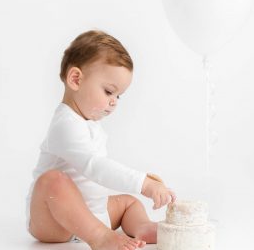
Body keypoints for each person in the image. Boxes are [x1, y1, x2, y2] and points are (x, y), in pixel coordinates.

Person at [26, 30, 176, 250]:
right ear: (76, 79)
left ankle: (141, 226)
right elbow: (95, 167)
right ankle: (99, 237)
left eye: (118, 96)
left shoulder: (90, 124)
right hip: (53, 221)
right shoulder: (65, 124)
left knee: (127, 203)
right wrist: (142, 182)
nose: (114, 102)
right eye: (108, 91)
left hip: (93, 213)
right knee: (53, 181)